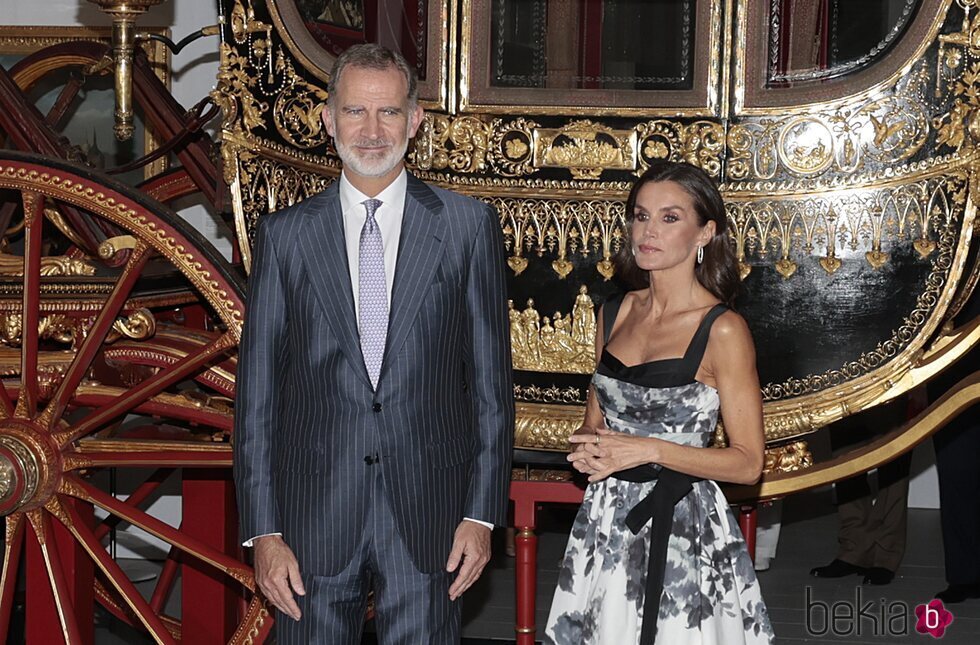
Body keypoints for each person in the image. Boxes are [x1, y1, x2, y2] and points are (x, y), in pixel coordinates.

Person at [233, 44, 514, 644]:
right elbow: (256, 398)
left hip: (430, 514)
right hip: (311, 515)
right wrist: (263, 531)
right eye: (355, 111)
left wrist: (481, 513)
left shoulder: (467, 228)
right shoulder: (284, 237)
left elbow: (492, 388)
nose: (370, 130)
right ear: (328, 119)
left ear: (415, 122)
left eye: (388, 113)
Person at [544, 162, 774, 644]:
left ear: (705, 232)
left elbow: (749, 463)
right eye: (640, 216)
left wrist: (649, 449)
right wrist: (589, 451)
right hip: (606, 521)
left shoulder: (723, 329)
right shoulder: (616, 311)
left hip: (684, 526)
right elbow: (595, 426)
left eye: (669, 218)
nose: (647, 231)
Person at [809, 398, 912, 586]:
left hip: (892, 375)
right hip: (842, 377)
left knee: (894, 459)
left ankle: (886, 555)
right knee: (845, 459)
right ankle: (854, 549)